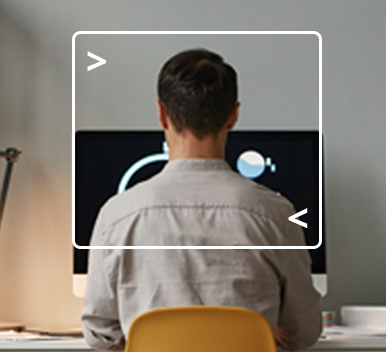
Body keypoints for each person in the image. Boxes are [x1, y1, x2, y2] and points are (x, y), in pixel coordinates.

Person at [81, 48, 322, 351]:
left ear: (161, 114)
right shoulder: (276, 215)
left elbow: (100, 336)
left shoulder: (116, 216)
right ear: (233, 115)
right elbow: (304, 333)